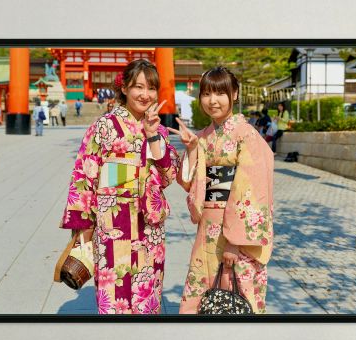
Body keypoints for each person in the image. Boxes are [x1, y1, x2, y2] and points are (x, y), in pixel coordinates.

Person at [60, 58, 180, 315]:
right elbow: (84, 176)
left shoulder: (159, 129)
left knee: (148, 296)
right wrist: (82, 228)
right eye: (138, 87)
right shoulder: (104, 127)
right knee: (114, 298)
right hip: (112, 224)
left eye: (151, 88)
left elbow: (169, 175)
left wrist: (153, 136)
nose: (145, 95)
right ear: (124, 88)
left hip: (150, 228)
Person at [170, 66, 274, 314]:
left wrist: (234, 242)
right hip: (207, 226)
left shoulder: (246, 135)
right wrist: (193, 149)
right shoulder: (203, 136)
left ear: (235, 94)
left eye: (220, 93)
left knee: (236, 295)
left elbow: (252, 190)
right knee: (203, 292)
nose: (212, 100)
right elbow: (188, 182)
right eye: (206, 94)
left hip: (234, 232)